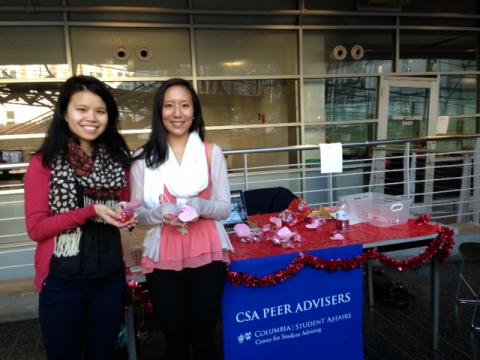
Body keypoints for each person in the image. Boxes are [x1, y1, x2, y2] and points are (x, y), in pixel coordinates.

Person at [24, 75, 135, 360]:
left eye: (100, 111)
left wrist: (125, 215)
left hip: (108, 278)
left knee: (104, 354)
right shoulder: (44, 163)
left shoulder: (117, 160)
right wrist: (90, 211)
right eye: (81, 109)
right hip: (62, 282)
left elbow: (123, 204)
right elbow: (36, 229)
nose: (91, 118)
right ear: (64, 112)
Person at [130, 78, 233, 360]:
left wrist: (201, 205)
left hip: (208, 253)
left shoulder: (213, 153)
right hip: (163, 256)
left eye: (185, 105)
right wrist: (159, 213)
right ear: (159, 111)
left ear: (194, 111)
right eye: (169, 105)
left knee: (204, 339)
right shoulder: (142, 159)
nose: (177, 113)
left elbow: (225, 208)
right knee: (174, 340)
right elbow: (137, 216)